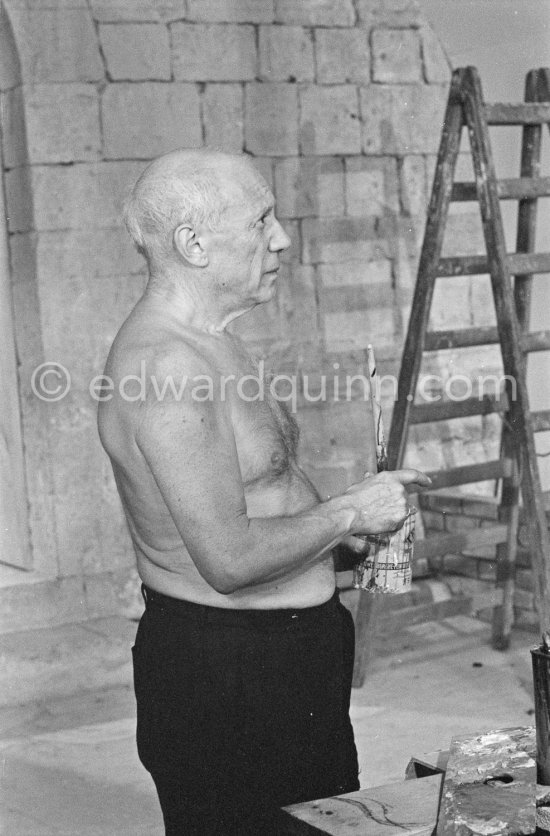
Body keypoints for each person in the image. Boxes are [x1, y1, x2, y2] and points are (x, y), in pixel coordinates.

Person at [98, 148, 430, 835]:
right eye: (262, 219)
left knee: (321, 822)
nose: (280, 237)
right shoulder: (167, 365)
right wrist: (350, 510)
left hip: (285, 656)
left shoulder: (213, 340)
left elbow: (259, 499)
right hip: (228, 670)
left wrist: (353, 538)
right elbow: (228, 560)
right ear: (193, 244)